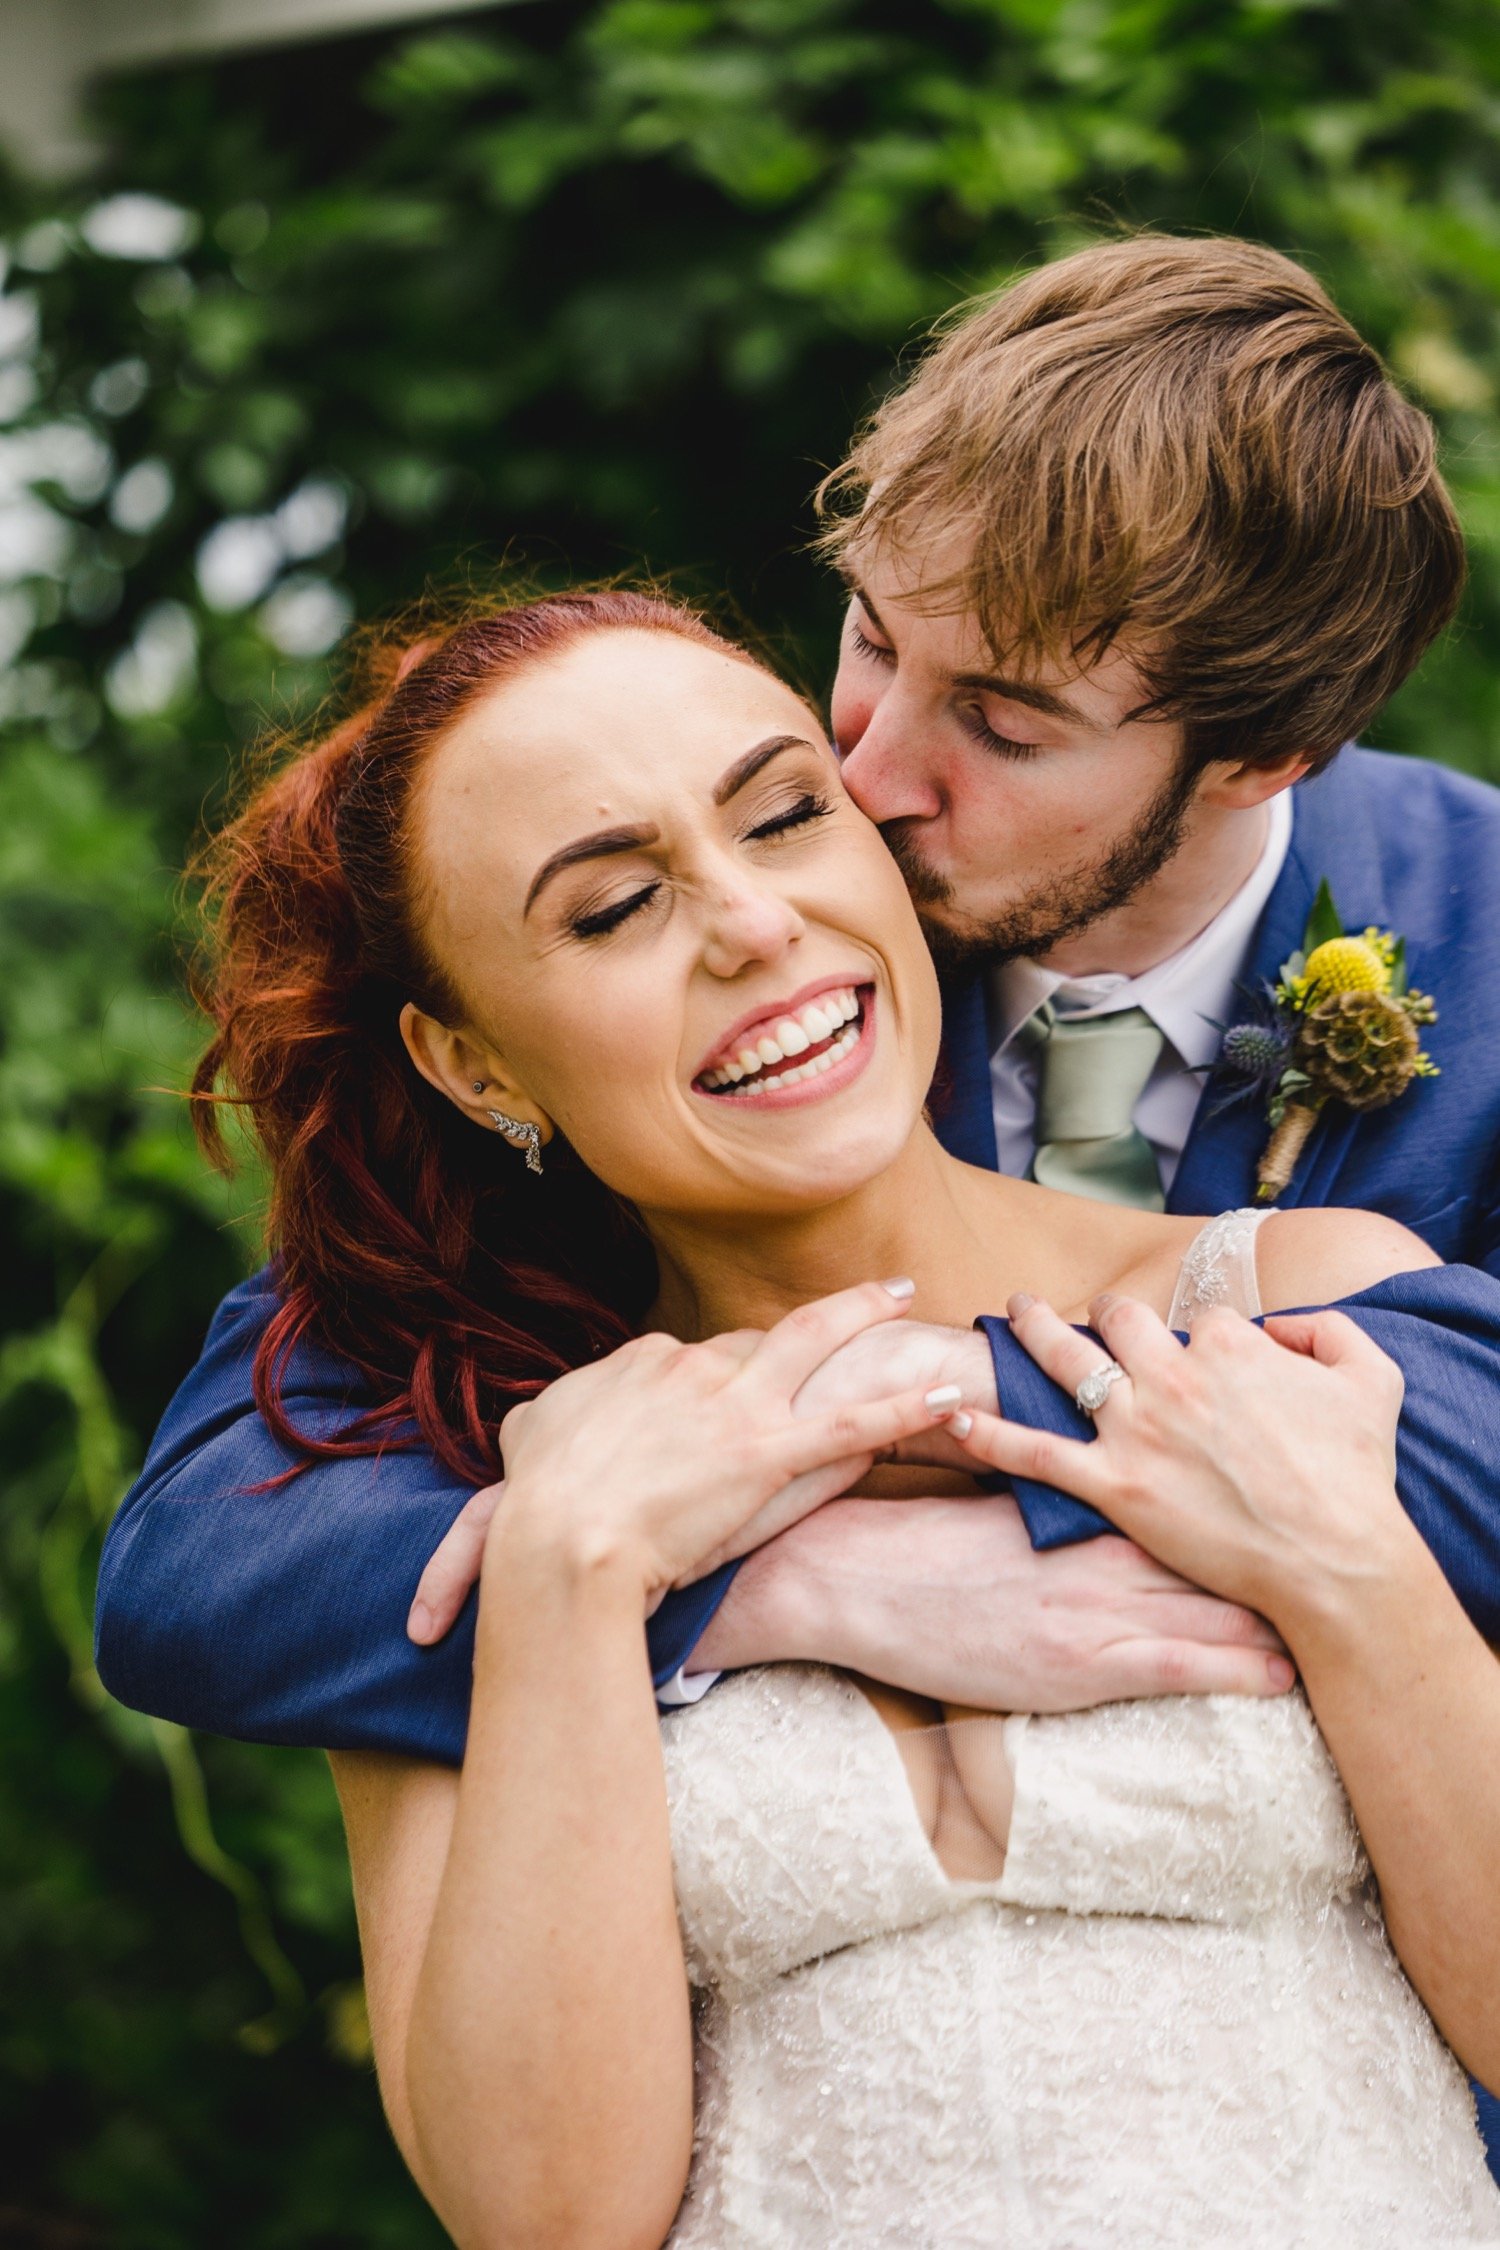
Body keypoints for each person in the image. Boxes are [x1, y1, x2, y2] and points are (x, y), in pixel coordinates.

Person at [112, 585, 1500, 2245]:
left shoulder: (1299, 1298)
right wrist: (574, 1576)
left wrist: (1347, 1567)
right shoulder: (493, 1472)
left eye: (786, 814)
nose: (752, 921)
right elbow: (546, 2220)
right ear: (476, 1065)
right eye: (616, 906)